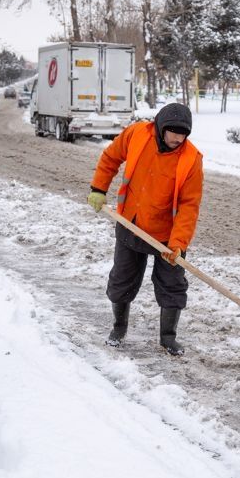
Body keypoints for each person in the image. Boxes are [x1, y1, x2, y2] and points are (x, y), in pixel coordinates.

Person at [89, 102, 203, 356]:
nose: (177, 138)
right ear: (161, 128)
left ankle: (168, 337)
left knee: (172, 286)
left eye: (182, 133)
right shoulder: (137, 134)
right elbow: (111, 157)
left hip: (167, 236)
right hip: (132, 223)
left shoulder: (191, 159)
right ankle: (119, 327)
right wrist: (98, 188)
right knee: (122, 279)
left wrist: (178, 244)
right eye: (173, 132)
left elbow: (189, 205)